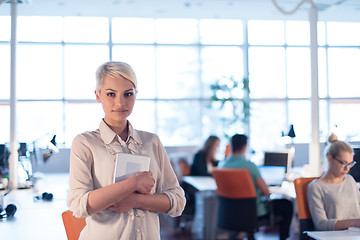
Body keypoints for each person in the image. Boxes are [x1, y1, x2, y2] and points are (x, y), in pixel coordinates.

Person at [67, 61, 186, 240]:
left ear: (135, 95)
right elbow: (78, 206)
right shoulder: (85, 143)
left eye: (127, 94)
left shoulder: (152, 142)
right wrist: (132, 183)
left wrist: (136, 201)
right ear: (98, 95)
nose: (120, 103)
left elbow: (177, 201)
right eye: (111, 94)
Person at [218, 134, 293, 240]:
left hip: (229, 214)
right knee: (287, 204)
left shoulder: (222, 166)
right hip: (252, 213)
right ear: (245, 147)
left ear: (231, 145)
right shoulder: (250, 166)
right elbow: (266, 192)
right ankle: (283, 238)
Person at [307, 133, 360, 231]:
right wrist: (355, 223)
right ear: (330, 158)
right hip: (336, 235)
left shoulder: (350, 180)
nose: (347, 168)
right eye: (343, 163)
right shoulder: (316, 187)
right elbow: (321, 224)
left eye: (350, 164)